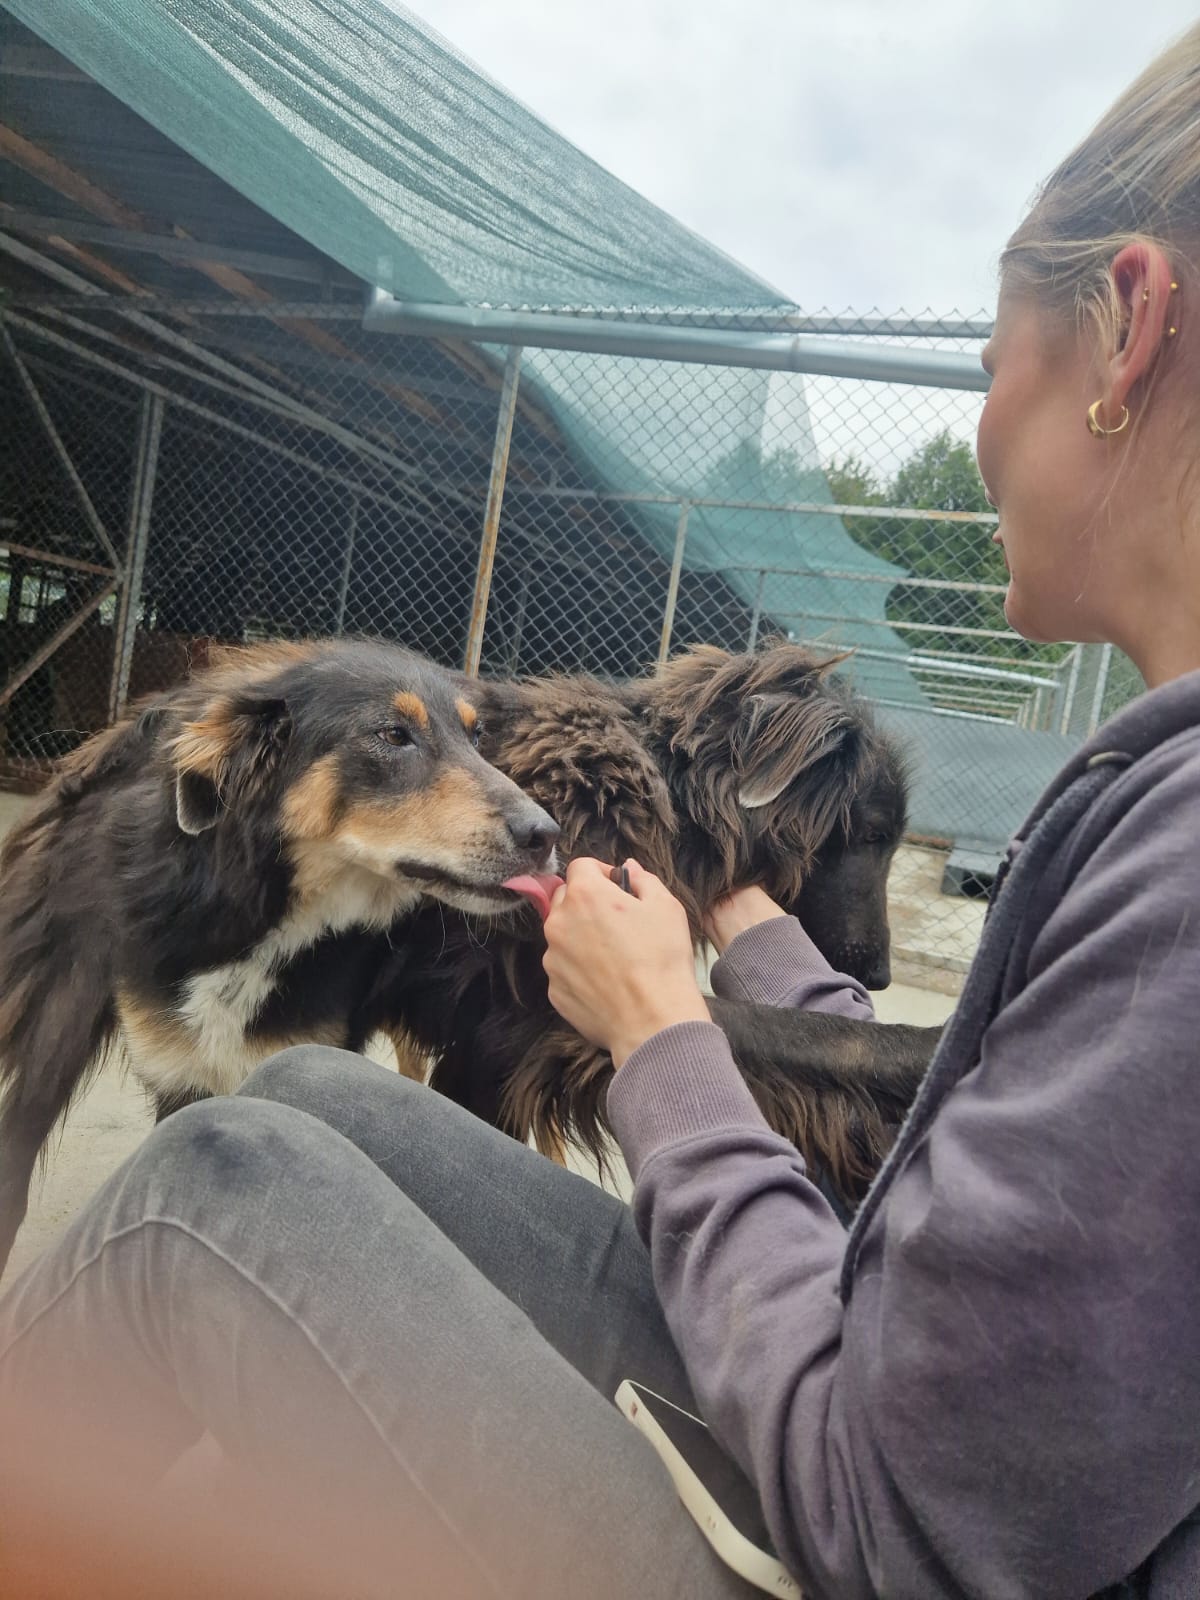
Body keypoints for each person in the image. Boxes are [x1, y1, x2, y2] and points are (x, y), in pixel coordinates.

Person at [4, 24, 1200, 1600]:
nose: (981, 431)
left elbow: (901, 1516)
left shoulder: (1181, 861)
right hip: (854, 1371)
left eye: (987, 367)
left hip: (845, 1512)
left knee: (205, 1192)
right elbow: (1010, 1175)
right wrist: (755, 945)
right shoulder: (1158, 808)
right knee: (294, 1100)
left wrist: (661, 1041)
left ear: (1127, 328)